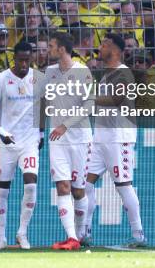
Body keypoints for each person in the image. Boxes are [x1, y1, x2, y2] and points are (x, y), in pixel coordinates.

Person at [84, 33, 147, 248]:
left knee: (123, 185)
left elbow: (116, 99)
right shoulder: (106, 75)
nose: (100, 47)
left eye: (105, 44)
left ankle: (138, 235)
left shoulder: (123, 74)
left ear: (116, 51)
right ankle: (85, 232)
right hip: (101, 136)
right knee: (85, 182)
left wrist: (88, 97)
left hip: (119, 136)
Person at [0, 41, 41, 250]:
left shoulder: (38, 78)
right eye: (21, 60)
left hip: (29, 141)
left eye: (28, 60)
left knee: (31, 185)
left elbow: (43, 104)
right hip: (6, 142)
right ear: (14, 58)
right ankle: (1, 238)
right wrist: (1, 132)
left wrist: (42, 132)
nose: (24, 64)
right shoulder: (1, 79)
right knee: (2, 191)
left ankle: (22, 233)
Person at [45, 31, 93, 250]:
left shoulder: (83, 71)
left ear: (62, 49)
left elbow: (89, 106)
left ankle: (81, 233)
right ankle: (72, 237)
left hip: (80, 138)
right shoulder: (50, 72)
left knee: (78, 190)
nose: (48, 50)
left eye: (51, 46)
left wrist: (66, 124)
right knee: (62, 187)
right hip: (57, 139)